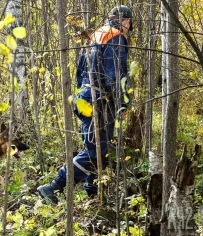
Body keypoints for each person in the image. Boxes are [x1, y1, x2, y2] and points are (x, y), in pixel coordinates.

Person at [37, 5, 133, 204]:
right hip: (99, 101)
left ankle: (93, 192)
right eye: (129, 25)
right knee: (94, 150)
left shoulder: (95, 35)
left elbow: (79, 73)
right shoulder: (116, 37)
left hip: (84, 98)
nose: (128, 29)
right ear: (125, 21)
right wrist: (122, 103)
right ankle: (52, 187)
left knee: (98, 148)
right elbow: (115, 76)